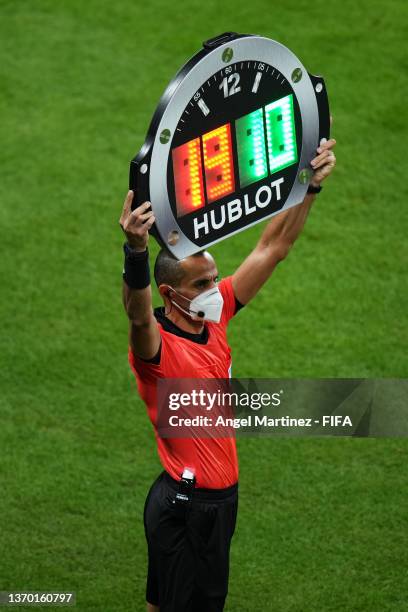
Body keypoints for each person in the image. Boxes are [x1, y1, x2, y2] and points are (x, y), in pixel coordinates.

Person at [119, 138, 336, 612]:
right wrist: (135, 251)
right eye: (201, 284)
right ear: (169, 294)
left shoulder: (214, 318)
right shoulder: (156, 350)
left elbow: (273, 247)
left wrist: (308, 185)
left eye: (214, 278)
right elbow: (137, 317)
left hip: (206, 504)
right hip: (189, 507)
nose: (215, 290)